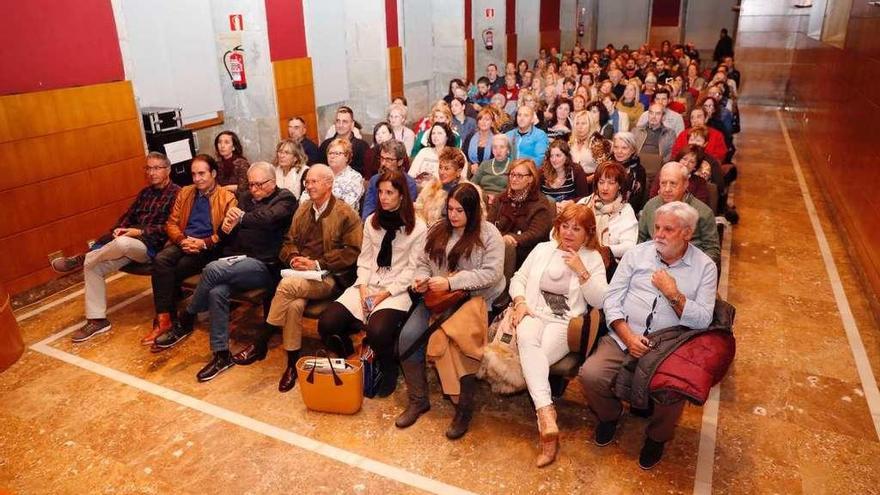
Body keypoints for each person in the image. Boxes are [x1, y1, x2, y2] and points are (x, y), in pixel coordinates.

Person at [579, 201, 717, 469]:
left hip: (670, 347)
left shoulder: (705, 267)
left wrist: (673, 294)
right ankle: (610, 416)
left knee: (670, 393)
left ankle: (656, 437)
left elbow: (703, 319)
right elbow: (612, 299)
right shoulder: (636, 255)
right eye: (657, 227)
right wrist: (627, 335)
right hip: (624, 335)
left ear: (687, 233)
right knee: (591, 375)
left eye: (668, 229)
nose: (659, 235)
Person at [151, 162, 297, 381]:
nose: (254, 189)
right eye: (251, 184)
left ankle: (187, 318)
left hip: (264, 265)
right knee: (216, 291)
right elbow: (226, 232)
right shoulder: (246, 198)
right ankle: (221, 354)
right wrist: (227, 226)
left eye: (259, 184)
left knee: (212, 268)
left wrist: (240, 218)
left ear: (272, 182)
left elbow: (267, 218)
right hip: (236, 260)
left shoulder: (284, 199)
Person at [233, 165, 362, 392]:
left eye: (314, 182)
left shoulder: (346, 214)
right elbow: (287, 241)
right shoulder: (303, 210)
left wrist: (317, 264)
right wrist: (293, 258)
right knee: (293, 306)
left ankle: (261, 340)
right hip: (300, 274)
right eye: (307, 182)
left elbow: (352, 252)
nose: (308, 186)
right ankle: (293, 365)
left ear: (328, 184)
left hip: (330, 277)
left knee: (286, 285)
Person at [395, 183, 505, 439]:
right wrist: (421, 279)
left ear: (473, 211)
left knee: (457, 344)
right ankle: (418, 399)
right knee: (408, 338)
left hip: (472, 300)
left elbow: (492, 273)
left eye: (459, 211)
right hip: (435, 298)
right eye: (450, 209)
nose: (453, 215)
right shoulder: (437, 229)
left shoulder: (489, 235)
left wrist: (451, 282)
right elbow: (422, 262)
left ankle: (463, 409)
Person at [510, 203, 608, 467]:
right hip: (531, 313)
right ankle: (547, 418)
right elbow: (518, 278)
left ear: (588, 234)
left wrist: (581, 270)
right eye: (565, 226)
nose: (568, 233)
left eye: (576, 228)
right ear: (557, 227)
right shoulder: (543, 249)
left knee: (534, 358)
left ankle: (544, 416)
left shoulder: (592, 258)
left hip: (564, 323)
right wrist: (520, 303)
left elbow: (601, 300)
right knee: (528, 339)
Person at [317, 170, 427, 397]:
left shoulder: (418, 227)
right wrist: (364, 288)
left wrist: (382, 295)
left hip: (396, 289)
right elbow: (365, 260)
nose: (383, 197)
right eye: (380, 192)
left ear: (402, 196)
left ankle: (388, 367)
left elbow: (412, 270)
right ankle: (348, 349)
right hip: (369, 283)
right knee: (326, 322)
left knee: (377, 331)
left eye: (389, 192)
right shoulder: (371, 222)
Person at [52, 152, 180, 342]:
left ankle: (82, 258)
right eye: (148, 168)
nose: (151, 173)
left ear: (167, 170)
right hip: (126, 244)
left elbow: (172, 226)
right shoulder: (145, 193)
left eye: (156, 168)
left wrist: (139, 233)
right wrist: (117, 230)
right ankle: (97, 320)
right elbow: (127, 217)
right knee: (93, 266)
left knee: (122, 243)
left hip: (152, 247)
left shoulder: (178, 193)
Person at [146, 154, 237, 345]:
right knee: (161, 261)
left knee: (176, 269)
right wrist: (182, 240)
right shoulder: (186, 192)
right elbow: (171, 223)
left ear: (213, 173)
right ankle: (165, 319)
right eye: (194, 174)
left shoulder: (227, 198)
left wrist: (203, 243)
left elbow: (224, 234)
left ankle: (179, 320)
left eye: (202, 173)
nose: (197, 179)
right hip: (184, 241)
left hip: (209, 248)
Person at [638, 162, 720, 266]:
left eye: (673, 183)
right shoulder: (651, 206)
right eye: (663, 183)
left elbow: (712, 251)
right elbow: (640, 239)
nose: (667, 189)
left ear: (685, 184)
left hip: (688, 267)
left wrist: (695, 269)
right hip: (651, 264)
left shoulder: (703, 212)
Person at [488, 158, 555, 279]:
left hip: (526, 252)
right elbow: (489, 226)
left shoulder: (540, 202)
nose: (514, 179)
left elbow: (536, 233)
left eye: (519, 176)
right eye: (512, 174)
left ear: (530, 178)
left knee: (507, 248)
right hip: (497, 246)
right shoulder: (500, 199)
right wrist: (500, 239)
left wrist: (513, 239)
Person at [576, 161, 638, 270]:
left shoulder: (626, 210)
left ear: (619, 186)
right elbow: (556, 231)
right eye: (601, 182)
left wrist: (601, 250)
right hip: (579, 257)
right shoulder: (585, 203)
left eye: (611, 183)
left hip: (609, 265)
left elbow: (629, 246)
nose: (605, 188)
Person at [362, 140, 418, 220]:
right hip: (375, 223)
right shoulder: (374, 180)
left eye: (388, 160)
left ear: (400, 162)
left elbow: (406, 212)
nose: (383, 163)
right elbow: (368, 208)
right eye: (382, 158)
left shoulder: (409, 183)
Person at [414, 148, 470, 226]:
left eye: (446, 169)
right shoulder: (431, 186)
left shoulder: (468, 191)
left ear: (458, 171)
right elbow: (418, 209)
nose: (441, 172)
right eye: (440, 167)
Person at [310, 138, 364, 212]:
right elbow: (305, 197)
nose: (332, 156)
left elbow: (347, 205)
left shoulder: (355, 177)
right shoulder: (319, 173)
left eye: (337, 153)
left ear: (347, 157)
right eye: (330, 153)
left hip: (342, 219)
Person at [409, 122, 466, 187]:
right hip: (420, 188)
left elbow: (462, 180)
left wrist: (433, 181)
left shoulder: (456, 154)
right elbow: (411, 175)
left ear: (447, 136)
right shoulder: (424, 152)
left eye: (439, 133)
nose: (435, 136)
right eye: (433, 133)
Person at [319, 106, 370, 175]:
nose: (340, 125)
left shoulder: (362, 146)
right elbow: (320, 169)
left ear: (352, 125)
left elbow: (365, 173)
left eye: (345, 122)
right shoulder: (325, 145)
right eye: (338, 121)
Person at [540, 139, 590, 209]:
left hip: (570, 212)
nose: (554, 159)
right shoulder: (542, 173)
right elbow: (536, 198)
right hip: (548, 212)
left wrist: (572, 202)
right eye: (551, 156)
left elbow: (585, 198)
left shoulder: (576, 170)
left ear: (566, 157)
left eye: (558, 155)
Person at [611, 131, 648, 214]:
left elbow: (637, 201)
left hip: (627, 212)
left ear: (632, 150)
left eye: (624, 148)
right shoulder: (606, 166)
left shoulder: (639, 171)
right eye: (616, 147)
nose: (619, 151)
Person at [471, 133, 513, 203]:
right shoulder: (485, 164)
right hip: (483, 199)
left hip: (503, 201)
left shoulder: (513, 166)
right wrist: (484, 196)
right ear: (492, 150)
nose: (498, 151)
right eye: (495, 147)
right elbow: (472, 184)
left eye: (502, 147)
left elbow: (513, 190)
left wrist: (496, 197)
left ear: (508, 150)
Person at [462, 108, 498, 175]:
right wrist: (471, 166)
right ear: (477, 122)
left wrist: (479, 165)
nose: (483, 122)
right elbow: (464, 156)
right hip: (470, 171)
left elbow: (496, 160)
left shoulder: (497, 139)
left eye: (487, 119)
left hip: (489, 173)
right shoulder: (470, 137)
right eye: (480, 119)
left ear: (492, 123)